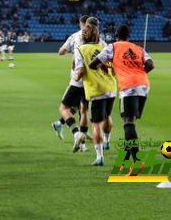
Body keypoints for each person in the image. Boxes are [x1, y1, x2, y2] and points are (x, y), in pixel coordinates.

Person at [89, 24, 154, 167]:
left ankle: (137, 162)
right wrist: (137, 73)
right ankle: (124, 161)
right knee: (130, 123)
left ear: (116, 36)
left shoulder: (113, 47)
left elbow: (93, 64)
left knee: (128, 124)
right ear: (129, 37)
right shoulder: (138, 48)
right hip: (144, 85)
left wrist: (106, 65)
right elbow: (150, 64)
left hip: (129, 87)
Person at [52, 16, 101, 147]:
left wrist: (73, 55)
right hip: (92, 80)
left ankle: (73, 131)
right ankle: (82, 141)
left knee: (67, 107)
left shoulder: (75, 36)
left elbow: (61, 52)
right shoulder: (100, 40)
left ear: (82, 24)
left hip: (78, 77)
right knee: (83, 109)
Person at [73, 24, 116, 166]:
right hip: (111, 87)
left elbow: (80, 71)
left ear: (84, 35)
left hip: (97, 90)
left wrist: (74, 79)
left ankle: (99, 157)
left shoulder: (81, 50)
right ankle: (107, 140)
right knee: (107, 116)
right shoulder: (105, 48)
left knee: (96, 124)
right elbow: (113, 69)